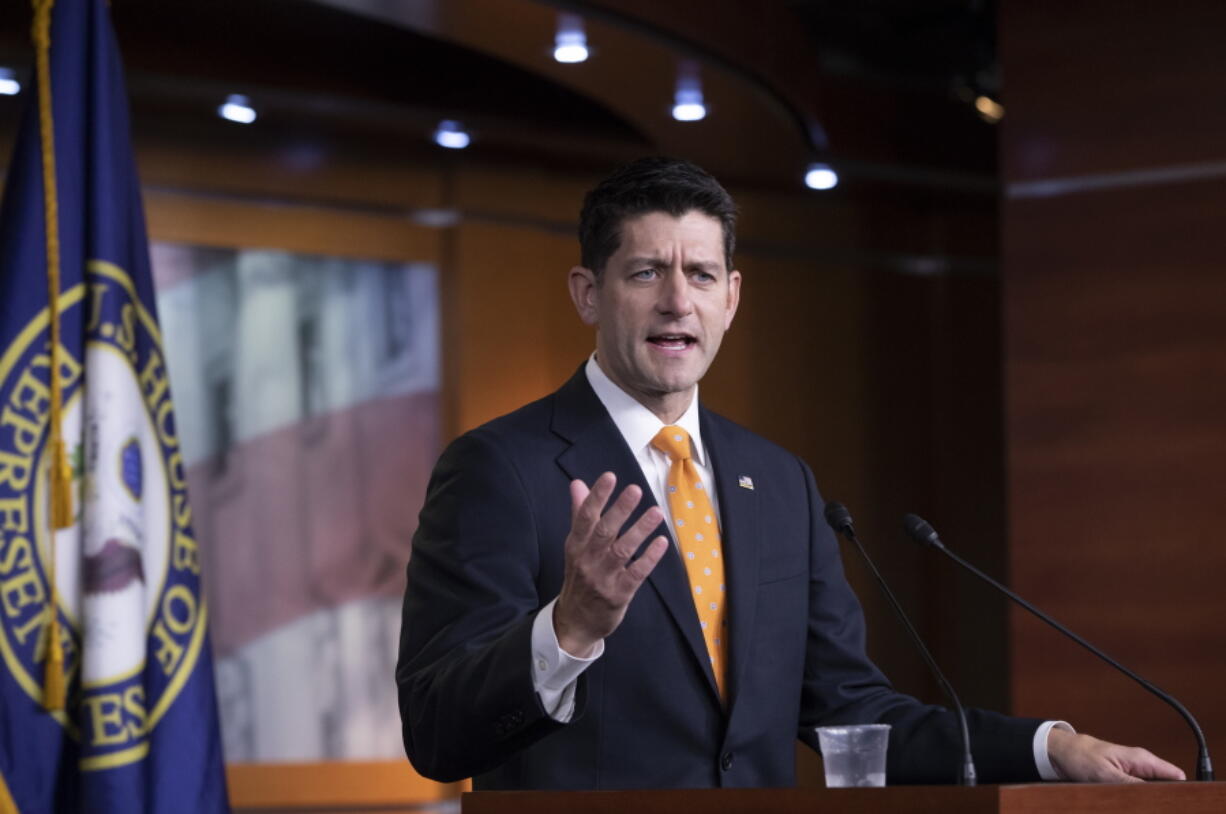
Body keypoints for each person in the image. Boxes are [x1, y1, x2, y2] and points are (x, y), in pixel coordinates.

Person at [395, 157, 1184, 789]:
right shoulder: (500, 468)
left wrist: (1053, 749)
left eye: (701, 275)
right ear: (587, 293)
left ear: (732, 299)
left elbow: (852, 712)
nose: (678, 302)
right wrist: (568, 630)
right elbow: (435, 731)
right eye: (644, 274)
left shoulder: (778, 482)